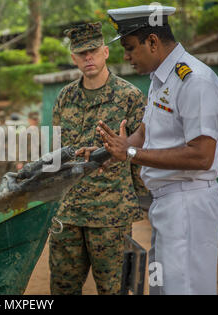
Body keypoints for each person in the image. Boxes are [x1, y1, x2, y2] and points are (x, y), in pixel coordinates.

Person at [97, 5, 218, 295]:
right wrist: (110, 151)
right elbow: (146, 131)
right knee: (161, 288)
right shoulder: (160, 78)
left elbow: (202, 155)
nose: (126, 57)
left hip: (188, 206)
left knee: (184, 290)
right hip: (165, 205)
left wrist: (130, 154)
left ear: (153, 41)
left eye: (130, 48)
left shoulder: (195, 81)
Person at [49, 22, 148, 295]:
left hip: (111, 215)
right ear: (73, 58)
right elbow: (58, 153)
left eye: (93, 51)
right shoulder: (64, 97)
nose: (88, 58)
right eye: (81, 54)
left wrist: (142, 201)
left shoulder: (130, 96)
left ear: (106, 52)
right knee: (62, 288)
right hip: (68, 212)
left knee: (113, 289)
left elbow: (140, 153)